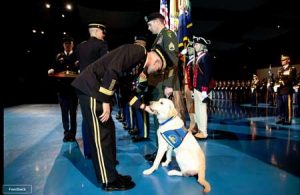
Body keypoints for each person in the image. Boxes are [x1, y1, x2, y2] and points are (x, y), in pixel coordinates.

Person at [71, 43, 171, 191]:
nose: (155, 72)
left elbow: (126, 93)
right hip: (92, 88)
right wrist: (105, 100)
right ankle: (108, 181)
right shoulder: (138, 51)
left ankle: (112, 174)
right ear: (157, 61)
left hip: (99, 90)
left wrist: (144, 107)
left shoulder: (138, 64)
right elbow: (113, 70)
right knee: (101, 135)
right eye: (158, 69)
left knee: (109, 132)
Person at [144, 12, 185, 162]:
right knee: (160, 121)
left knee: (169, 121)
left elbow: (172, 61)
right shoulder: (159, 37)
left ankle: (176, 151)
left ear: (157, 21)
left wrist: (168, 85)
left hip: (164, 85)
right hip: (158, 84)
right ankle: (161, 152)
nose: (148, 28)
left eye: (149, 24)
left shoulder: (167, 35)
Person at [75, 22, 108, 159]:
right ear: (96, 31)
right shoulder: (101, 45)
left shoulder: (80, 46)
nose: (103, 35)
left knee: (86, 119)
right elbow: (105, 67)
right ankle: (99, 152)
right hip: (95, 88)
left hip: (81, 87)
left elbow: (76, 62)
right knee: (99, 120)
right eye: (102, 32)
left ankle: (88, 151)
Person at [48, 36, 79, 142]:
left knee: (73, 113)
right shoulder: (59, 56)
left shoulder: (77, 56)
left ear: (72, 44)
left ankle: (73, 134)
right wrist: (51, 70)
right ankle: (66, 133)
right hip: (62, 89)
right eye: (65, 43)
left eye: (69, 43)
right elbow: (54, 67)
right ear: (63, 45)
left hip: (73, 89)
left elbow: (80, 69)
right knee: (64, 113)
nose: (67, 45)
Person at [192, 36, 214, 140]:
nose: (194, 46)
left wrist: (205, 89)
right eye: (194, 44)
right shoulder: (199, 57)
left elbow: (207, 74)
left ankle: (204, 132)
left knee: (202, 110)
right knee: (198, 110)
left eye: (196, 44)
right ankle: (200, 130)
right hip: (197, 87)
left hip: (202, 88)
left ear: (202, 45)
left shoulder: (206, 56)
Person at [274, 54, 297, 125]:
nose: (282, 61)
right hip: (280, 90)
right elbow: (277, 78)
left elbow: (291, 79)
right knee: (280, 105)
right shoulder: (280, 69)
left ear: (288, 60)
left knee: (287, 105)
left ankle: (288, 119)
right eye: (281, 60)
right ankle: (282, 118)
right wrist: (276, 84)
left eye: (284, 60)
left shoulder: (292, 68)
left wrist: (281, 83)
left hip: (287, 90)